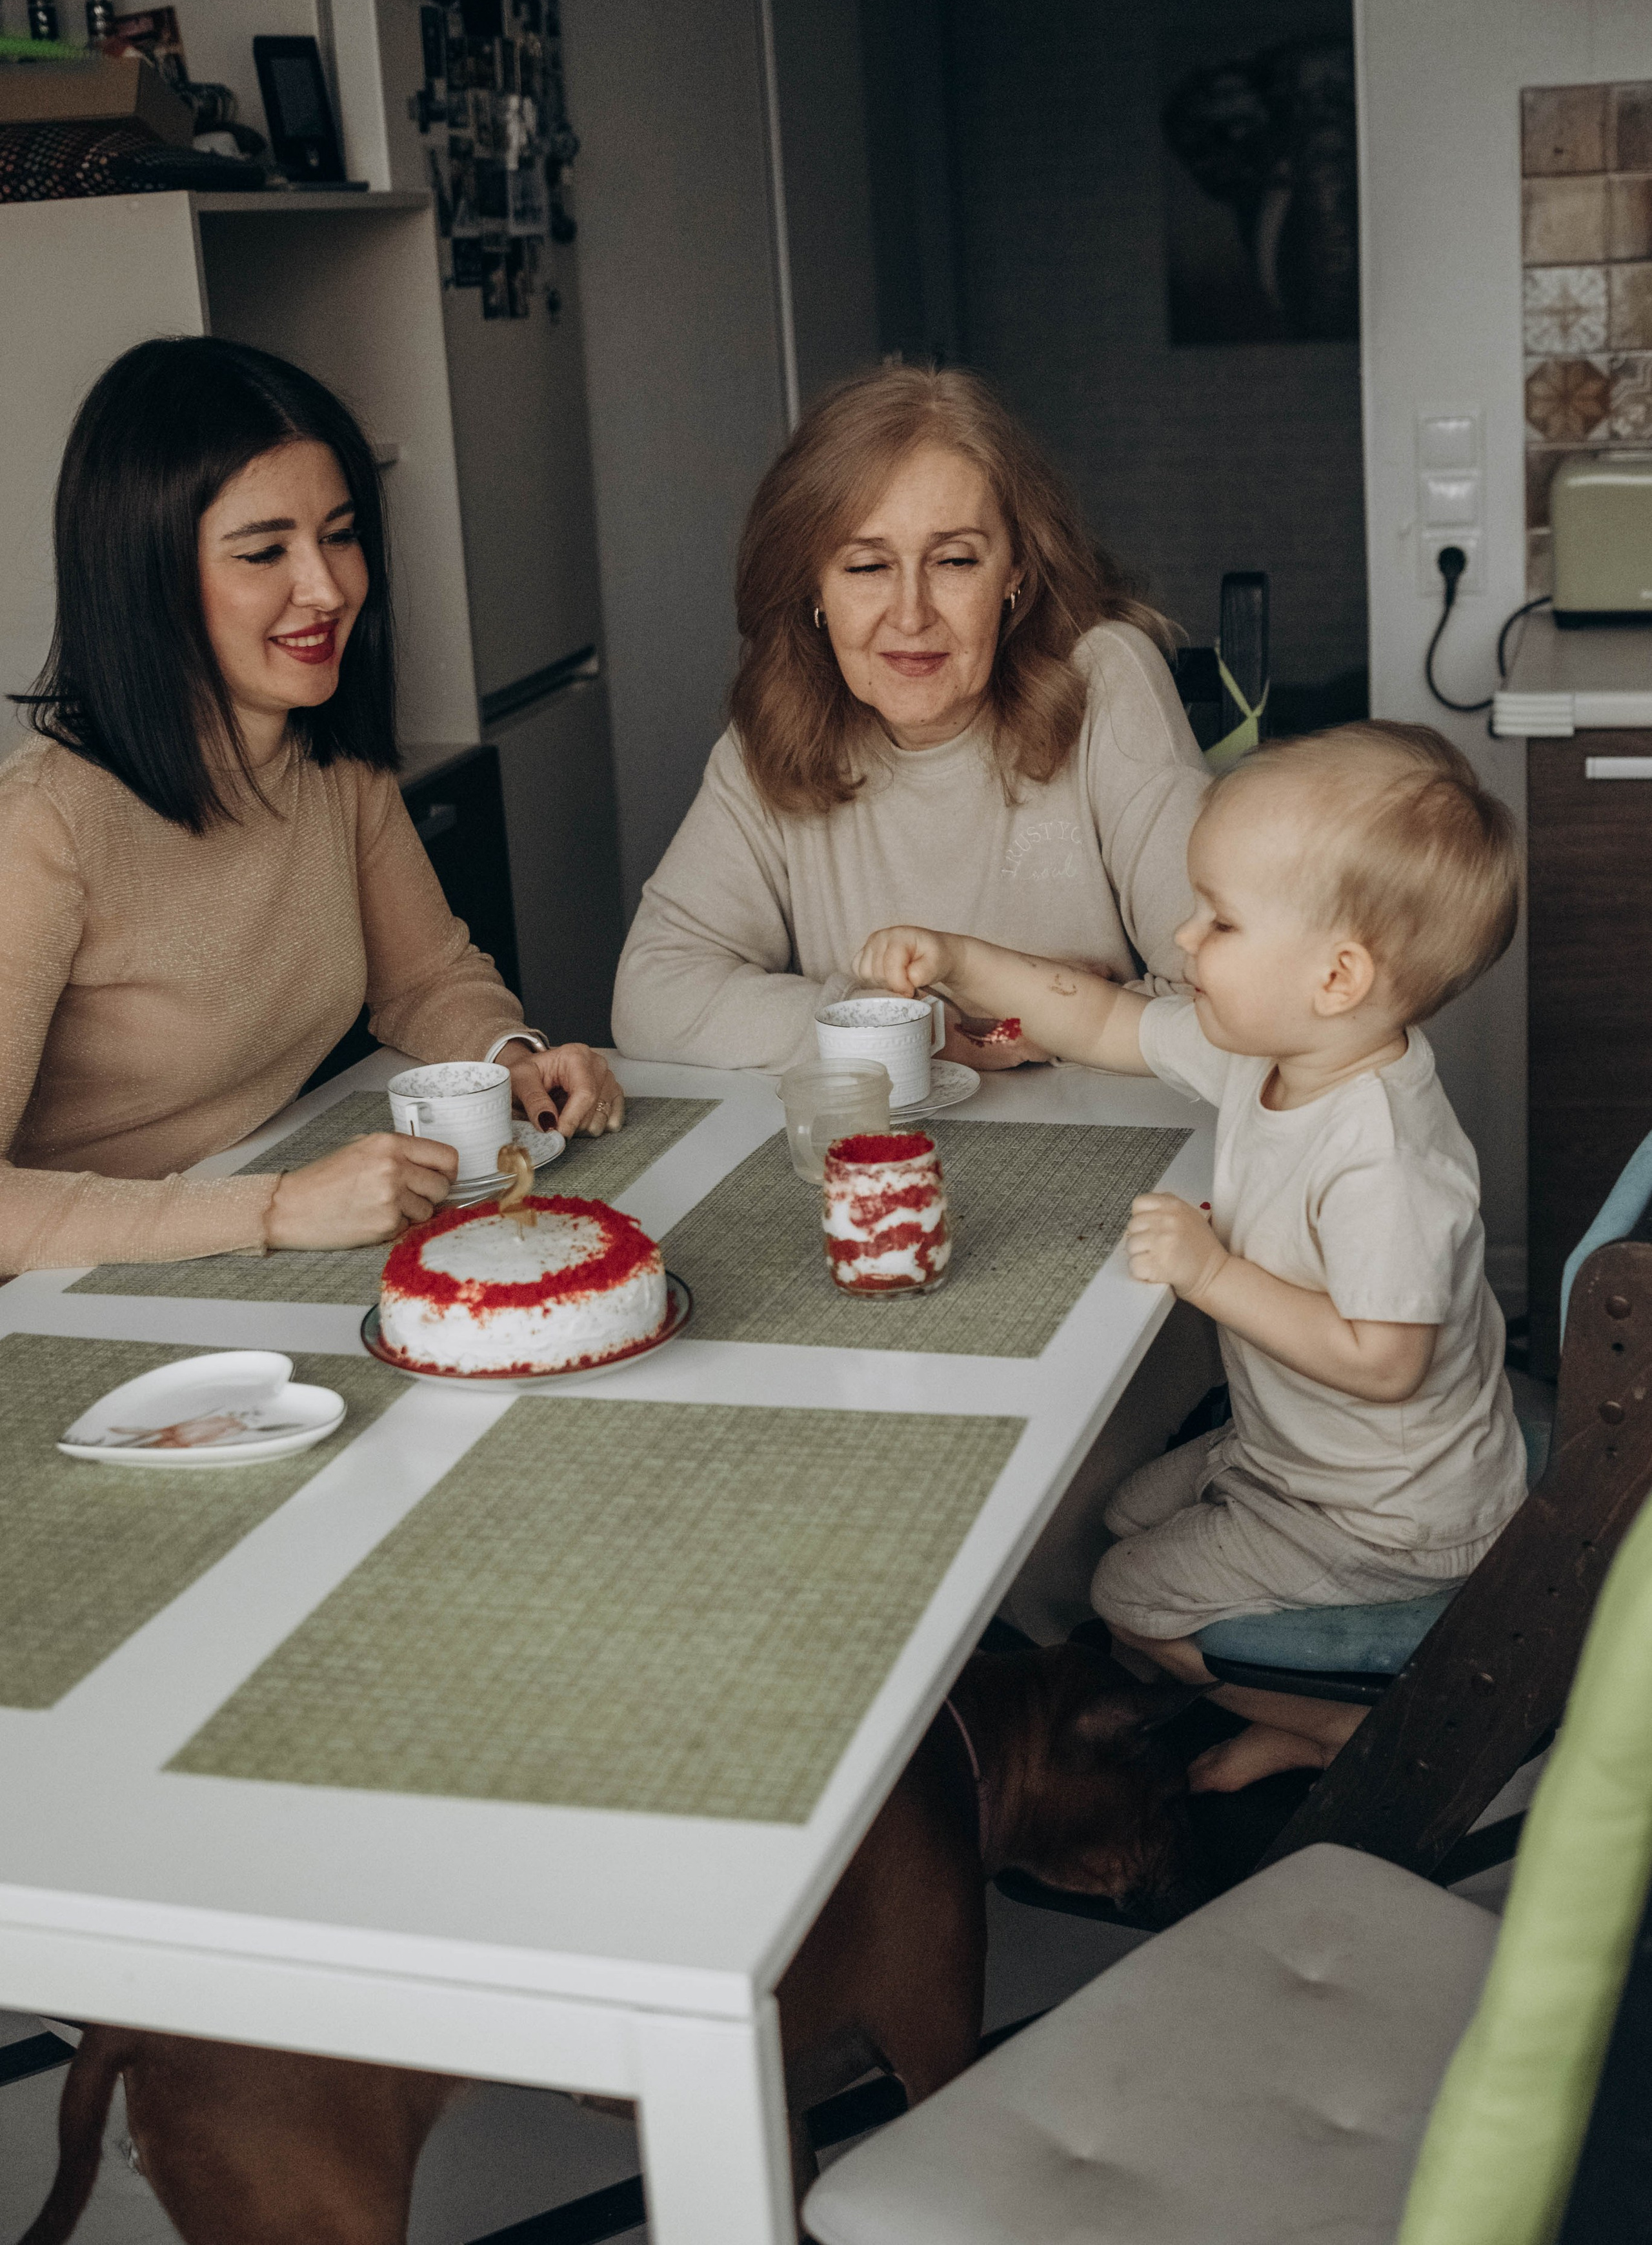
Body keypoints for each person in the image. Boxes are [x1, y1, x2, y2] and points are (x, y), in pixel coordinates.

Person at [854, 721, 1526, 1792]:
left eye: (1220, 920)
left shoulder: (1386, 1159)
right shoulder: (1277, 1053)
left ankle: (1327, 1731)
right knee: (1116, 1511)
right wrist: (958, 959)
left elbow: (1387, 1358)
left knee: (1126, 1591)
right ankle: (1272, 1698)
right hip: (1301, 1461)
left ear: (1337, 975)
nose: (1183, 936)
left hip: (1391, 1513)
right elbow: (1109, 1023)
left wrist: (1212, 1274)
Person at [0, 336, 621, 1274]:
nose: (329, 589)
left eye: (339, 534)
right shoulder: (45, 824)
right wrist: (281, 1206)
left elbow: (425, 978)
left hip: (246, 1241)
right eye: (264, 551)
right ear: (145, 576)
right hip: (72, 1294)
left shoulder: (324, 752)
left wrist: (510, 1056)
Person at [611, 365, 1208, 1073]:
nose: (911, 614)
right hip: (879, 1150)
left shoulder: (1106, 679)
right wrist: (909, 1026)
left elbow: (1221, 1006)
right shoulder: (779, 721)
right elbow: (653, 997)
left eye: (954, 559)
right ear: (814, 586)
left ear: (1016, 568)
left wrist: (1030, 1010)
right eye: (867, 567)